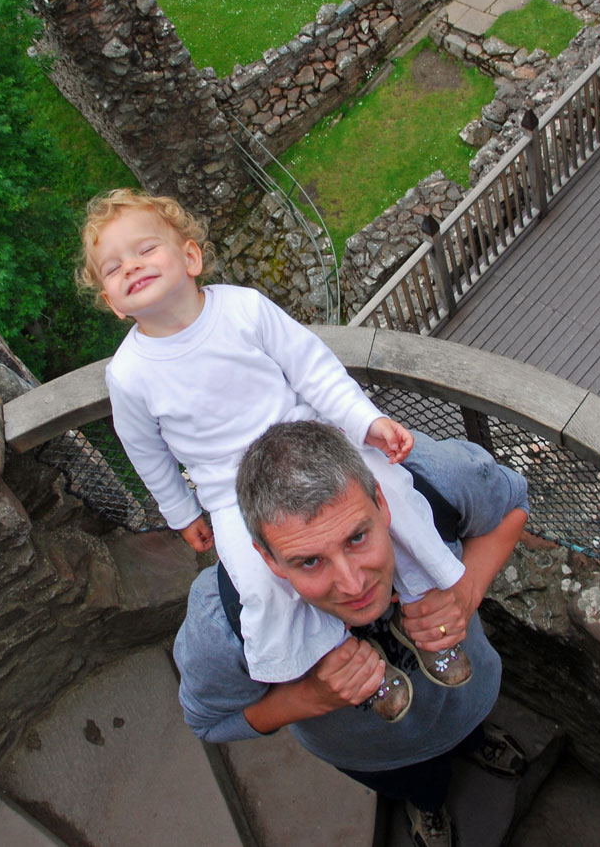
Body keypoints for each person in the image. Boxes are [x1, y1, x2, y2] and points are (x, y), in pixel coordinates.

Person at [79, 189, 473, 708]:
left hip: (315, 450)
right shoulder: (129, 375)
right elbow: (145, 452)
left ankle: (426, 609)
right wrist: (182, 512)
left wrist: (366, 422)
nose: (131, 266)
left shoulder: (243, 310)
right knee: (260, 583)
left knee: (394, 497)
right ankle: (342, 660)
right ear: (113, 303)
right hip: (232, 494)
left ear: (190, 257)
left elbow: (314, 370)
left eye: (145, 249)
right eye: (113, 268)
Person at [174, 420, 529, 847]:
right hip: (377, 755)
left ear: (382, 501)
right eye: (309, 561)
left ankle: (472, 740)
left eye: (357, 537)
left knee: (468, 730)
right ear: (267, 559)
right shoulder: (224, 620)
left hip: (467, 699)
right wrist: (312, 697)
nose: (353, 584)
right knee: (420, 783)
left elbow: (511, 503)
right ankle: (427, 804)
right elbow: (208, 722)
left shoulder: (433, 481)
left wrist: (464, 593)